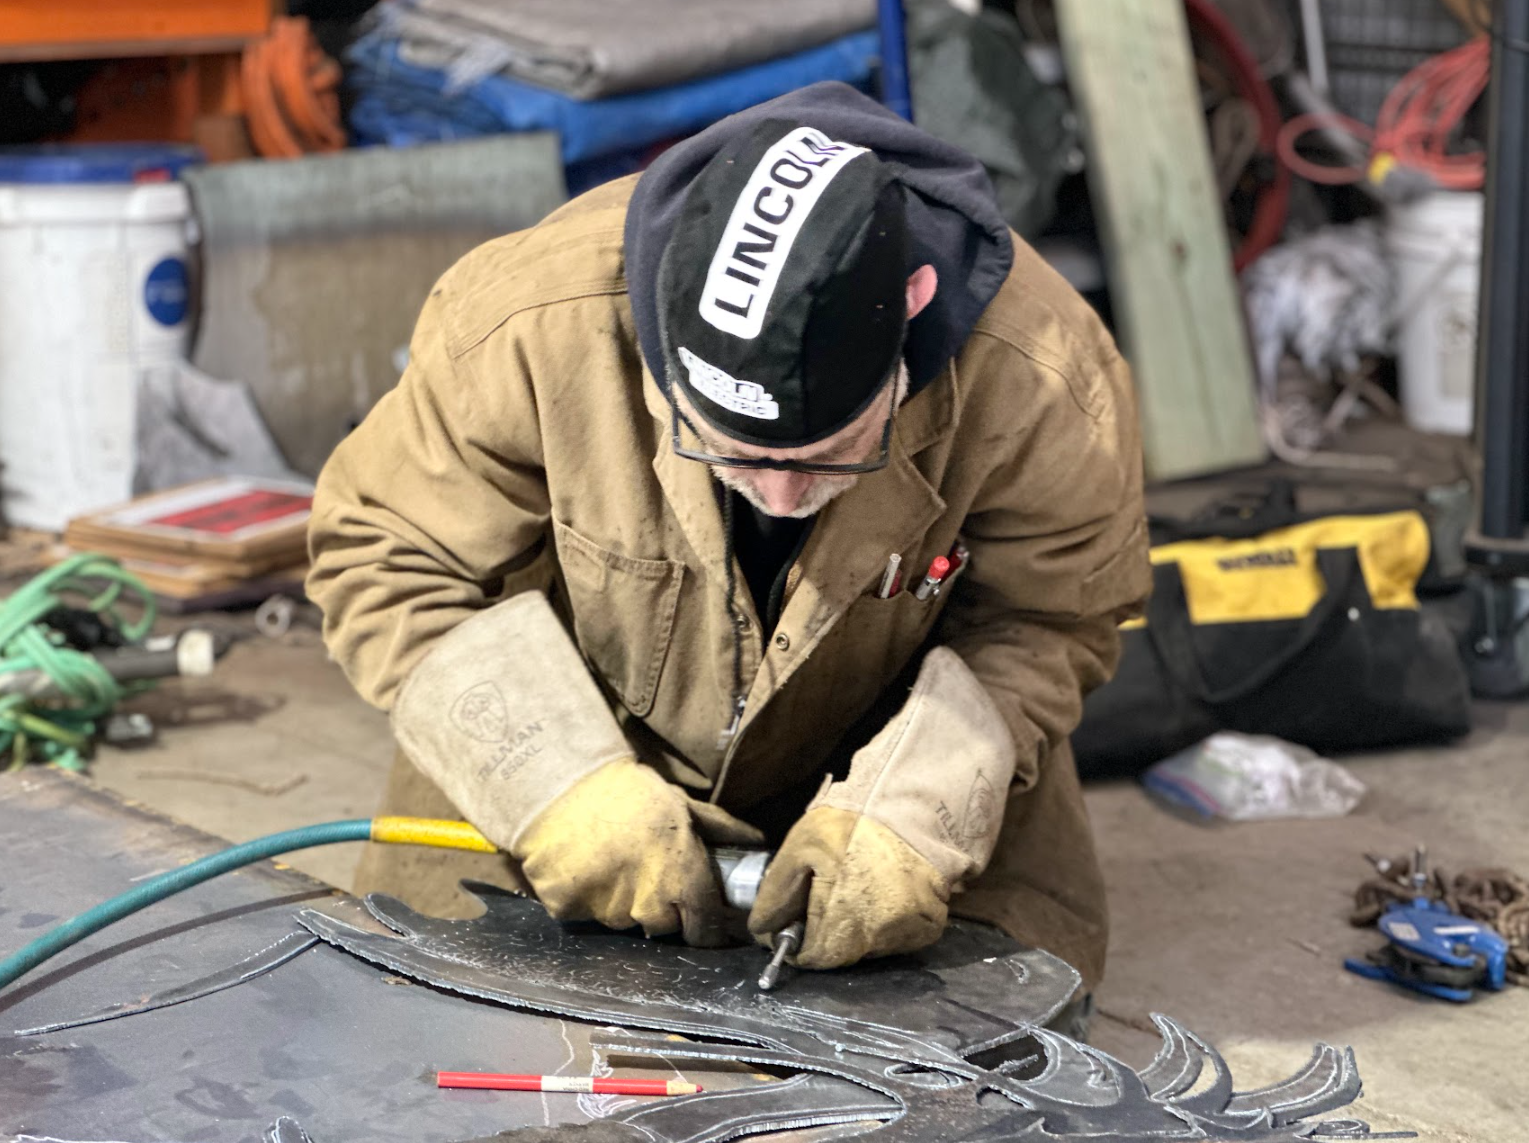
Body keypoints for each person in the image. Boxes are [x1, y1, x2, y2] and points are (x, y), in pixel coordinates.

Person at [306, 81, 1150, 996]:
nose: (783, 494)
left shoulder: (1042, 376)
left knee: (986, 1048)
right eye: (732, 450)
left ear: (913, 304)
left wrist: (918, 806)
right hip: (572, 740)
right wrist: (553, 782)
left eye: (829, 453)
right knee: (429, 1023)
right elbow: (385, 556)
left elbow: (1051, 618)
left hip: (886, 760)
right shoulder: (534, 322)